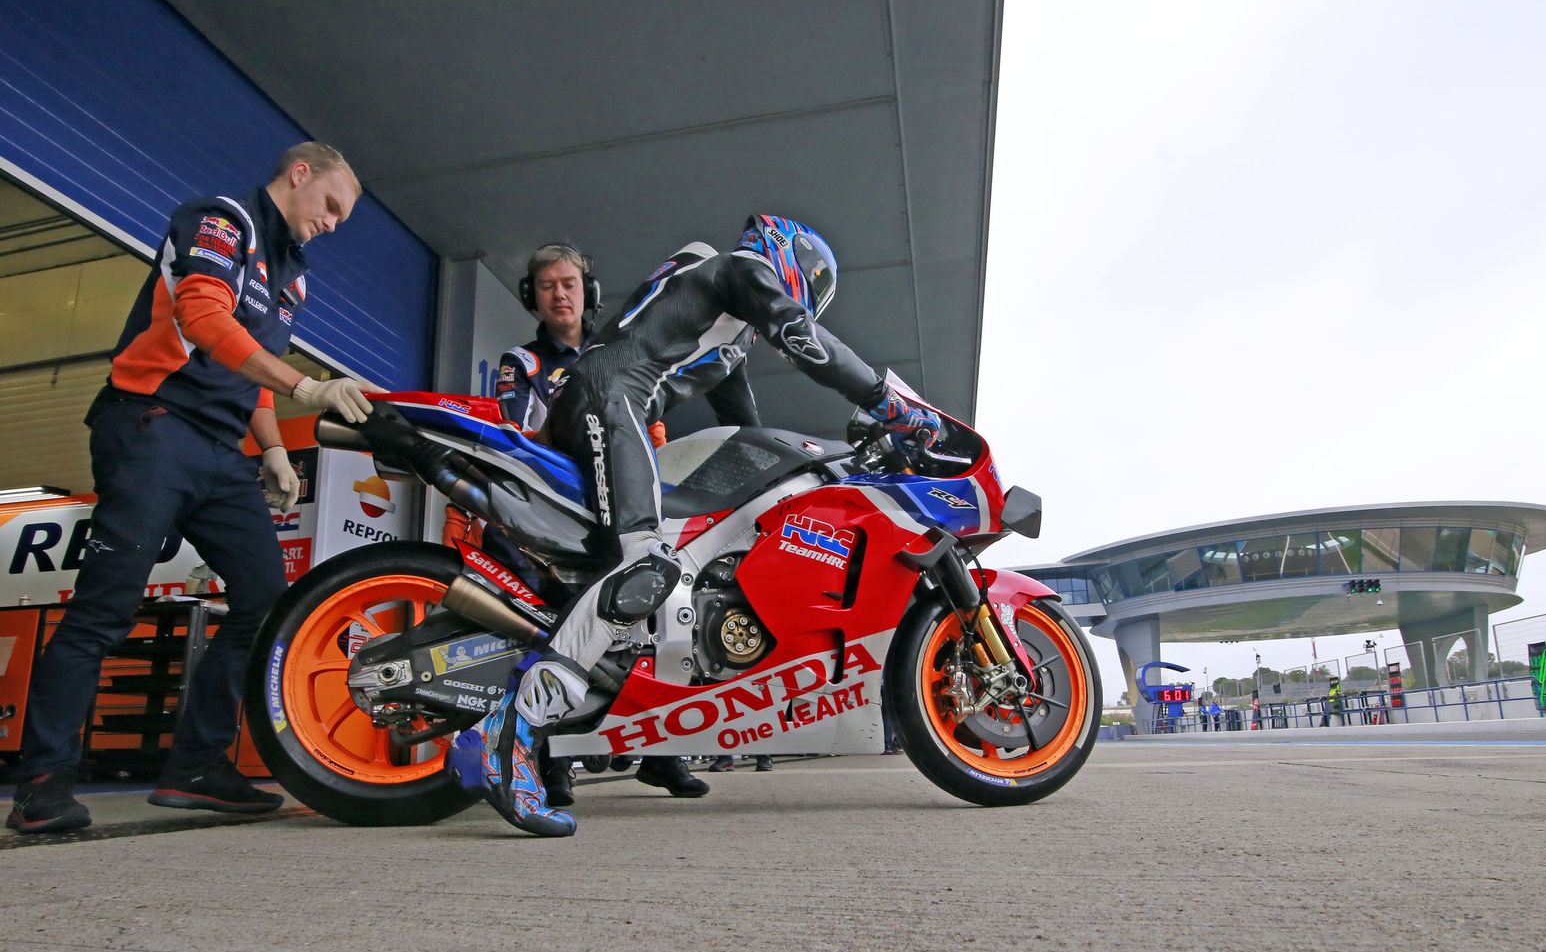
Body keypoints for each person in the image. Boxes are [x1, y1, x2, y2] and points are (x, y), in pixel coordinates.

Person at [459, 213, 942, 836]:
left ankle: (616, 717)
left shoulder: (725, 323)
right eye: (807, 284)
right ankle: (510, 733)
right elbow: (804, 340)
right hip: (614, 397)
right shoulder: (739, 268)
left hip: (596, 400)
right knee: (648, 567)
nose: (801, 299)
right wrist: (889, 404)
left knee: (631, 573)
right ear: (788, 257)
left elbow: (748, 425)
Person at [6, 143, 378, 835]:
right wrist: (305, 387)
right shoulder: (220, 222)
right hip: (153, 425)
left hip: (221, 452)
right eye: (331, 205)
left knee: (267, 606)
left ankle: (197, 770)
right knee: (105, 607)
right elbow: (206, 323)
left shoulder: (293, 274)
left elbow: (250, 368)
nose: (334, 222)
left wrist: (272, 449)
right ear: (300, 174)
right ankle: (44, 784)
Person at [489, 242, 701, 805]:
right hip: (561, 518)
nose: (560, 294)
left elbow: (652, 436)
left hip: (627, 513)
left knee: (658, 618)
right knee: (563, 632)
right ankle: (554, 765)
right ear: (531, 298)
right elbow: (522, 446)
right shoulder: (523, 363)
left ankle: (662, 753)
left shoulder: (621, 350)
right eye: (547, 286)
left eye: (570, 284)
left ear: (589, 292)